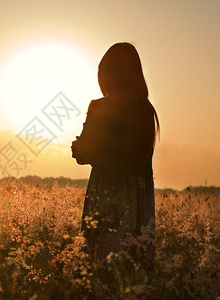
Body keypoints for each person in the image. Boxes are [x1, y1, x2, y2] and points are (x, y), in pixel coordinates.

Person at [71, 42, 159, 282]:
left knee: (114, 268)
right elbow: (87, 151)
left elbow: (133, 157)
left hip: (121, 192)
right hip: (118, 191)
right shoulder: (101, 106)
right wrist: (81, 150)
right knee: (116, 271)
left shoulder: (141, 108)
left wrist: (90, 153)